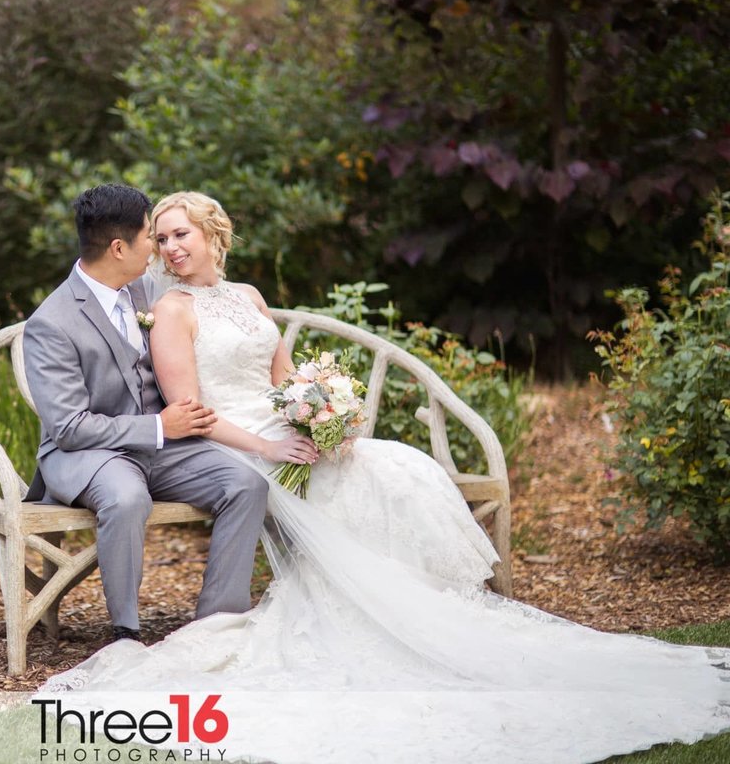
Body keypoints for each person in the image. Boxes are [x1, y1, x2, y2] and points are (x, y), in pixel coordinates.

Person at [39, 191, 730, 764]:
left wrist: (324, 418)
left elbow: (283, 379)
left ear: (215, 236)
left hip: (263, 433)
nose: (169, 249)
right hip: (223, 440)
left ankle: (419, 606)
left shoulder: (246, 296)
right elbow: (188, 410)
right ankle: (245, 619)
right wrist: (271, 444)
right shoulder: (166, 309)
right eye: (159, 239)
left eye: (180, 234)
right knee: (288, 482)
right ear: (134, 247)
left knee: (393, 466)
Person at [21, 184, 269, 643]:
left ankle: (220, 620)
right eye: (150, 239)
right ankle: (126, 634)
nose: (160, 249)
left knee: (245, 483)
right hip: (87, 453)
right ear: (119, 248)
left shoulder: (144, 288)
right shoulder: (50, 324)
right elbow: (70, 427)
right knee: (127, 497)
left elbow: (205, 309)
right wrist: (159, 425)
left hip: (163, 446)